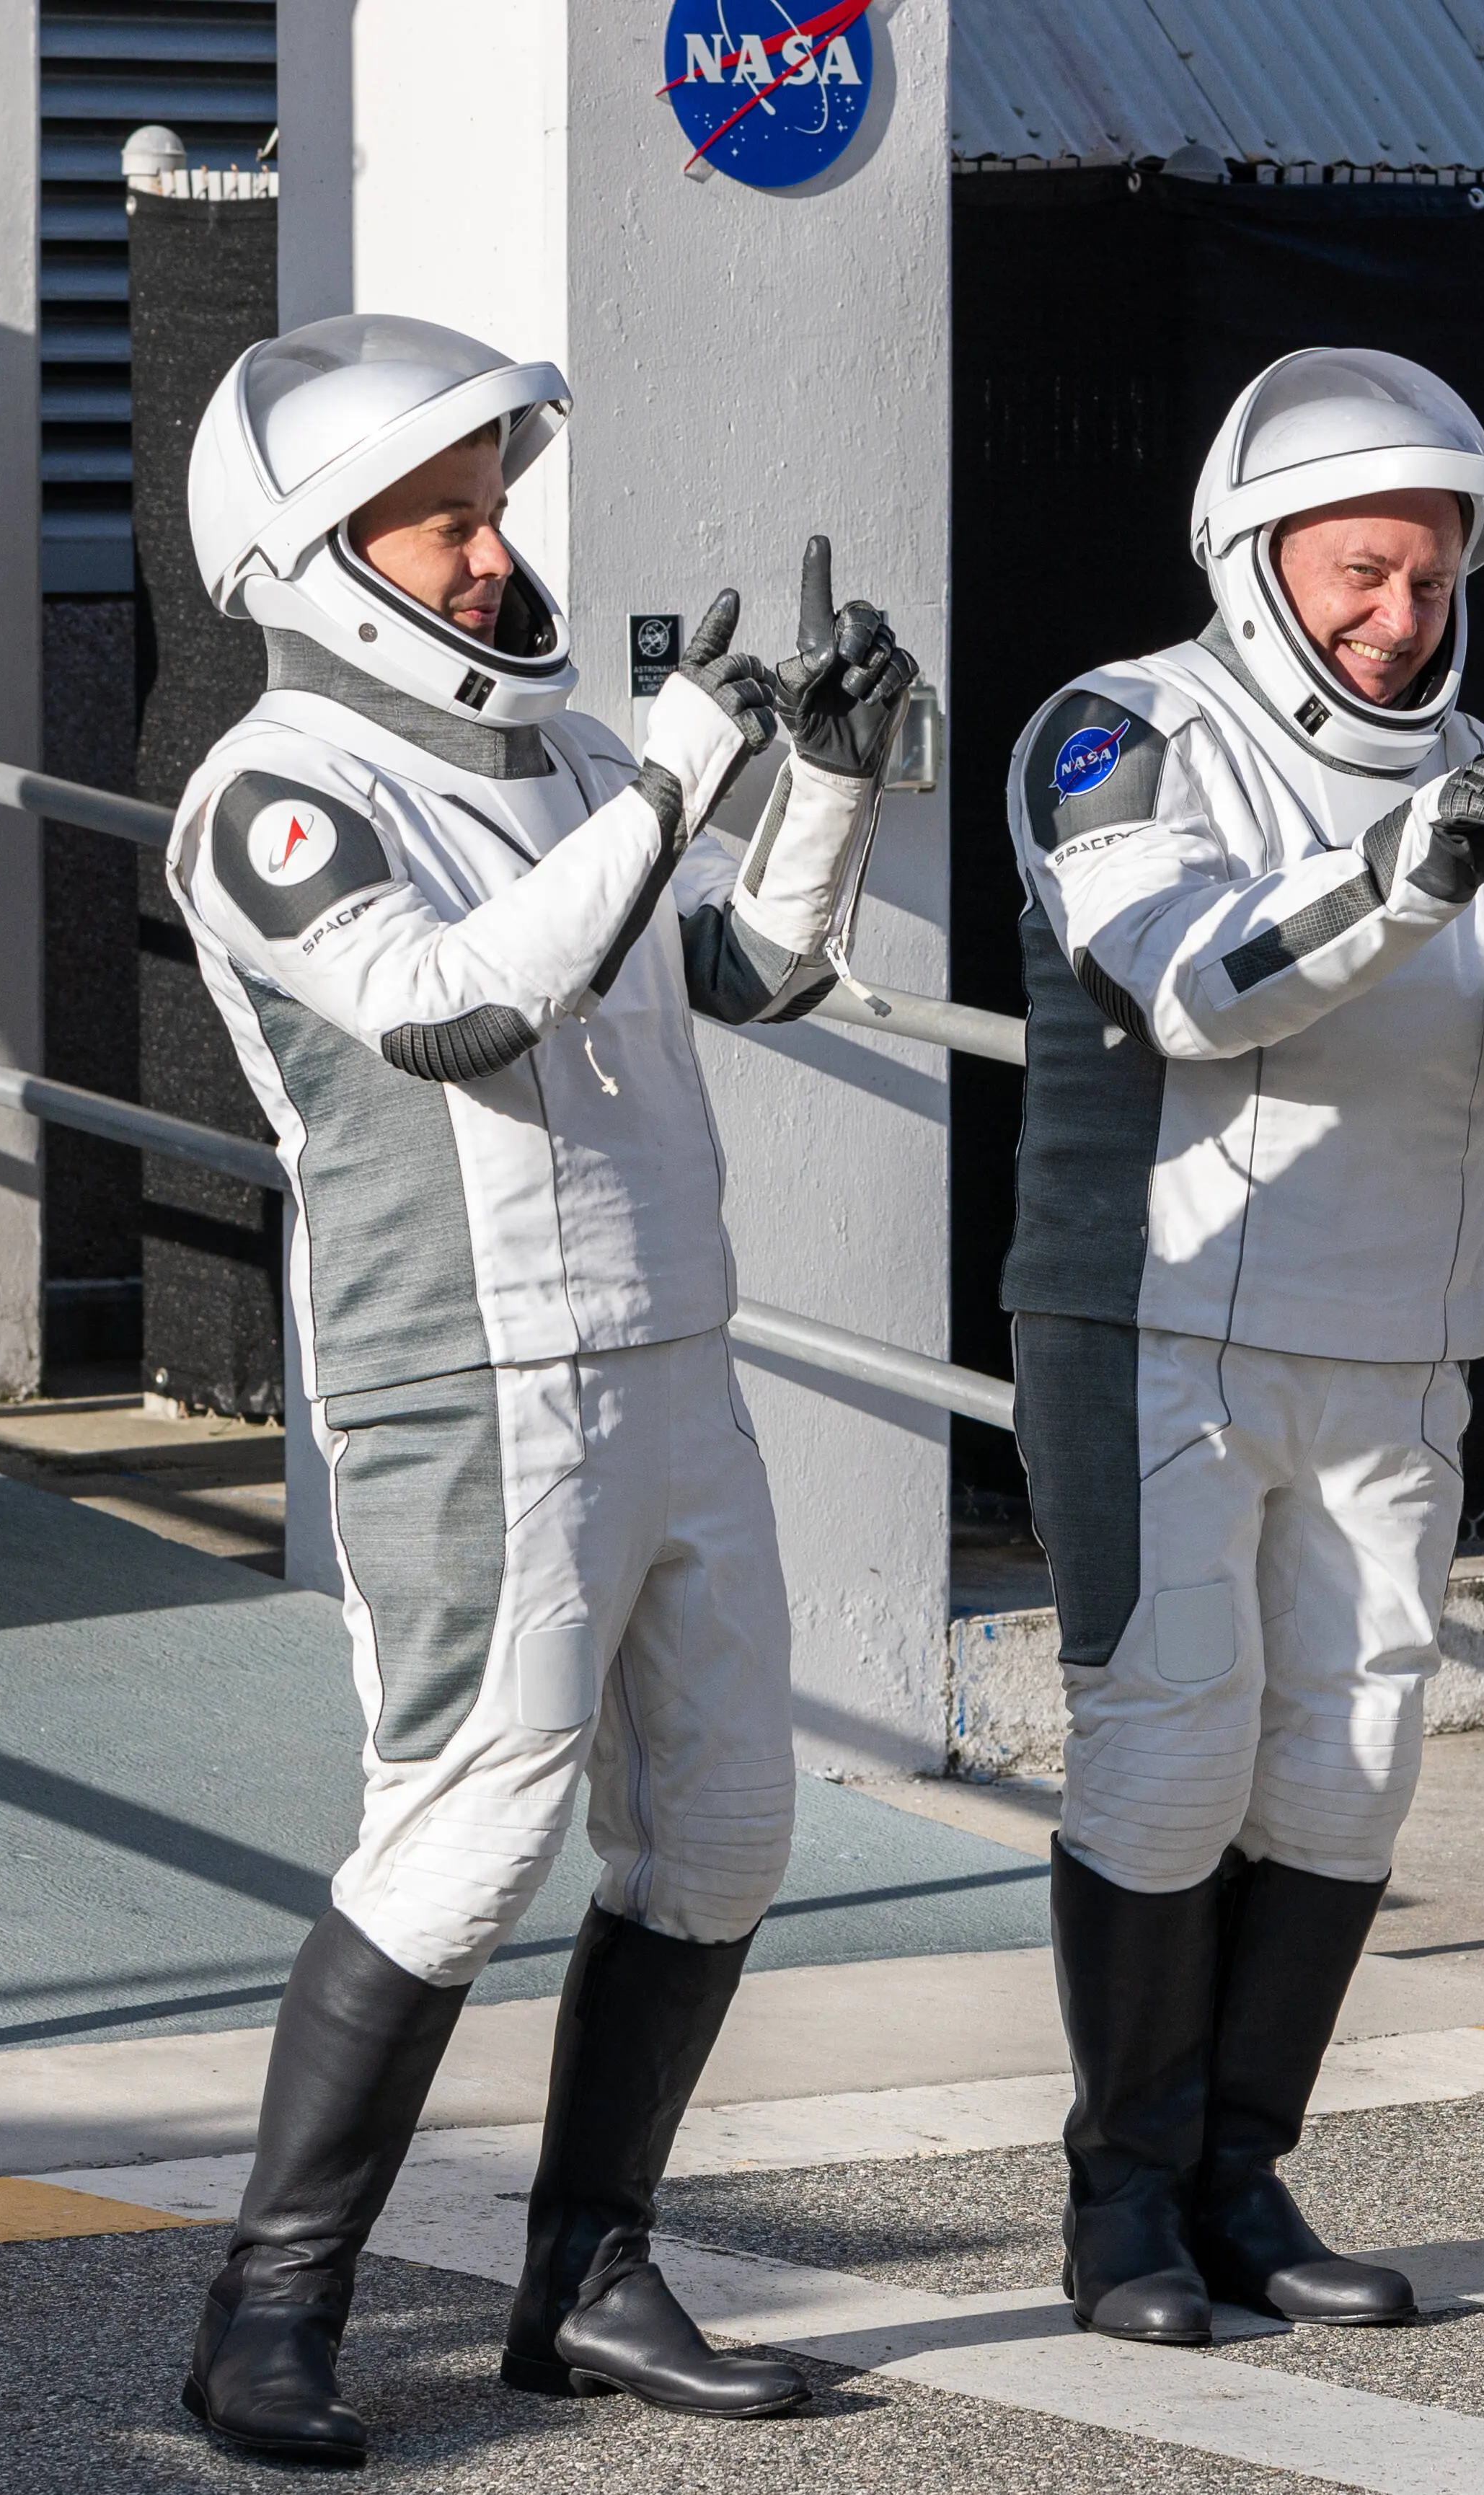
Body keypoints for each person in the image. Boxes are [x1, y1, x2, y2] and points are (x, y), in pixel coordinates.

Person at [165, 312, 917, 2464]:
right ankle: (267, 2312)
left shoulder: (576, 759)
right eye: (449, 523)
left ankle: (587, 2270)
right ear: (318, 553)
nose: (497, 558)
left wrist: (831, 773)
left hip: (673, 1348)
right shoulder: (274, 788)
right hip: (467, 1374)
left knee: (723, 1832)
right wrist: (688, 764)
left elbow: (739, 964)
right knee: (462, 1833)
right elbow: (450, 1008)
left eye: (497, 514)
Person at [1001, 347, 1484, 2346]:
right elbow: (1189, 985)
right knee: (1165, 1744)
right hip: (1154, 1320)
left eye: (1428, 576)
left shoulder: (1480, 763)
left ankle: (1235, 2169)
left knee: (1355, 1763)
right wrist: (1413, 881)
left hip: (1399, 1335)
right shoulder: (1120, 725)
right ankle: (1118, 2197)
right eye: (1359, 573)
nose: (1398, 617)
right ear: (1253, 556)